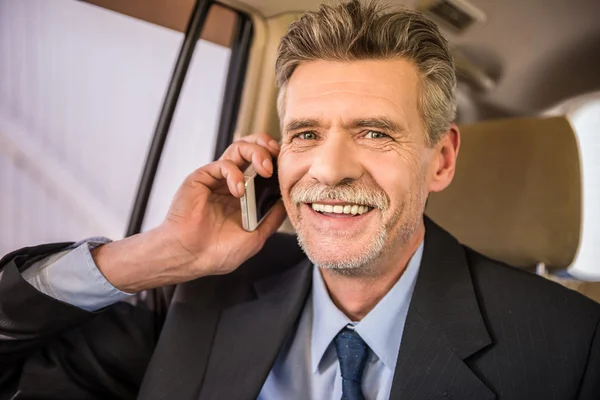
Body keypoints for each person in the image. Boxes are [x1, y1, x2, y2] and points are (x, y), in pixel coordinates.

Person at [1, 1, 599, 399]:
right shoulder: (195, 297)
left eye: (375, 132)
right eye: (306, 134)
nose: (329, 169)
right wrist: (153, 255)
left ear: (440, 159)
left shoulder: (571, 345)